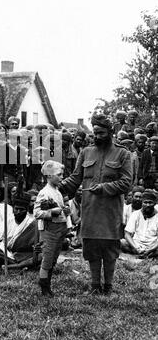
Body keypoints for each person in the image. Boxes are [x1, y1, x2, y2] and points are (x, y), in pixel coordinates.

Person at [59, 113, 132, 295]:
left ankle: (108, 287)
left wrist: (105, 187)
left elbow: (126, 183)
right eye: (95, 133)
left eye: (101, 133)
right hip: (90, 210)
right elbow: (76, 177)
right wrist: (59, 186)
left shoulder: (123, 153)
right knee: (91, 248)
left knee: (109, 250)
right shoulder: (86, 152)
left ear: (110, 132)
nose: (97, 136)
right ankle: (94, 286)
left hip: (110, 212)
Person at [34, 160, 70, 297]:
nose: (62, 177)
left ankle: (48, 284)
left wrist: (64, 211)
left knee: (54, 258)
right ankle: (44, 287)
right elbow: (37, 212)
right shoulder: (44, 193)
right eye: (59, 175)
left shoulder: (57, 192)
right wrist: (52, 213)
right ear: (49, 176)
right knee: (47, 258)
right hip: (49, 229)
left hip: (59, 228)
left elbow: (60, 209)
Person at [0, 193, 41, 269]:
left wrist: (38, 247)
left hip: (24, 254)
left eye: (22, 209)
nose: (18, 212)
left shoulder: (32, 223)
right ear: (13, 209)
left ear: (26, 210)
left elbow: (38, 244)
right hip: (7, 254)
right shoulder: (8, 221)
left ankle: (15, 266)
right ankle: (21, 265)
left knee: (40, 256)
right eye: (16, 209)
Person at [121, 189, 158, 258]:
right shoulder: (136, 214)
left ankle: (146, 254)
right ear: (142, 203)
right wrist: (136, 248)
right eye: (145, 202)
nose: (147, 205)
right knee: (122, 242)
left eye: (150, 202)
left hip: (153, 246)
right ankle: (144, 254)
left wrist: (151, 249)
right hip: (137, 245)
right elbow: (127, 234)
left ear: (155, 203)